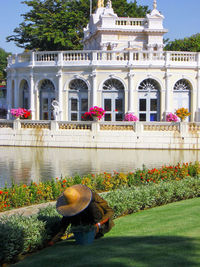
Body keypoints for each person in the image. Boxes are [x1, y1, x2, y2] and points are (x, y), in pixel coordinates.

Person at [49, 184, 114, 244]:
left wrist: (98, 224)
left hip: (97, 223)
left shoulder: (92, 198)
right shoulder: (70, 209)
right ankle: (83, 233)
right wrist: (52, 241)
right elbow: (63, 226)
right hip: (81, 226)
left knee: (92, 206)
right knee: (70, 214)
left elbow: (110, 212)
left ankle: (95, 232)